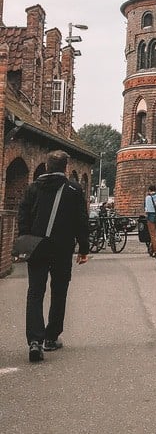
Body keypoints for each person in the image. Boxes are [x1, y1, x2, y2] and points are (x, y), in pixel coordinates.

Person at [17, 149, 90, 362]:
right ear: (65, 168)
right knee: (59, 291)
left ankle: (34, 341)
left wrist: (26, 238)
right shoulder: (73, 190)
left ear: (47, 166)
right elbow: (81, 222)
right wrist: (83, 249)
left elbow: (23, 215)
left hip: (37, 247)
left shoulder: (33, 188)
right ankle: (51, 337)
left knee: (35, 293)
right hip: (62, 248)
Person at [144, 184, 156, 258]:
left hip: (150, 216)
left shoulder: (148, 197)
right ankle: (151, 249)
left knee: (153, 235)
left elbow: (146, 209)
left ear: (149, 190)